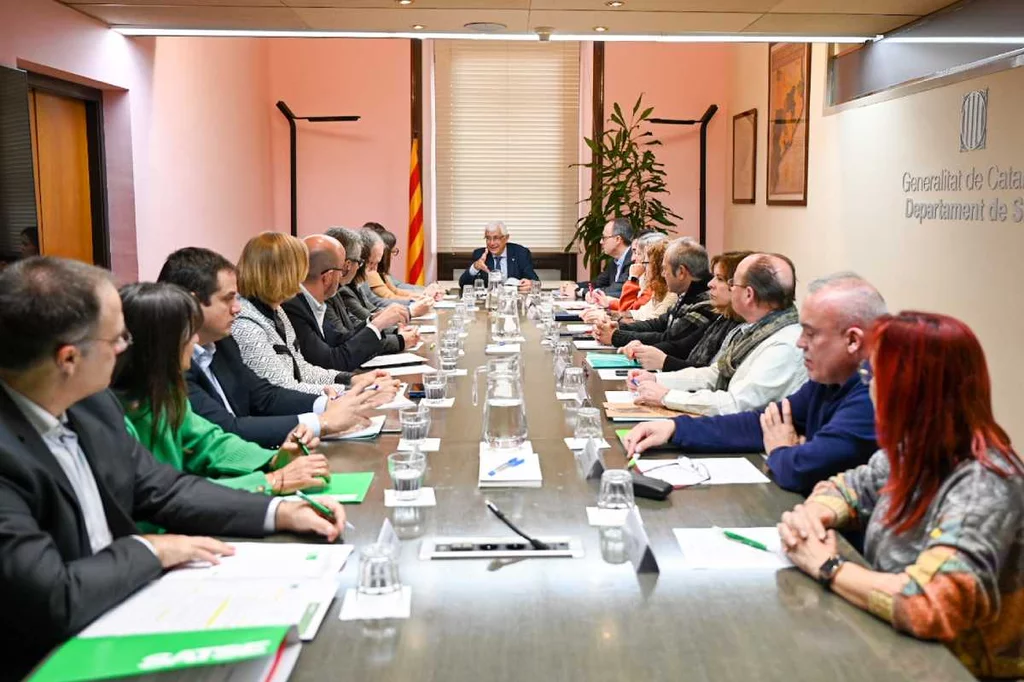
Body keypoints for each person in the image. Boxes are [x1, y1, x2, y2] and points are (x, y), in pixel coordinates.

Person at [0, 257, 348, 678]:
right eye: (116, 338)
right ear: (68, 359)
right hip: (51, 658)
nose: (126, 347)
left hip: (123, 609)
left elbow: (162, 488)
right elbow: (53, 599)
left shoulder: (92, 406)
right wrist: (152, 551)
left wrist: (277, 510)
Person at [776, 312, 1023, 679]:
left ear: (909, 388)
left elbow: (928, 603)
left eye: (872, 376)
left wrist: (827, 565)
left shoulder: (984, 482)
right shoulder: (911, 451)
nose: (868, 388)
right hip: (892, 642)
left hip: (955, 667)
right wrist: (814, 518)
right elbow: (848, 487)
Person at [624, 272, 885, 493]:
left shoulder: (871, 397)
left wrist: (781, 448)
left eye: (811, 333)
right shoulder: (831, 380)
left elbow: (803, 468)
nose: (800, 342)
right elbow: (758, 422)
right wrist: (674, 429)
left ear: (853, 341)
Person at [114, 282, 341, 494]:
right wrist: (271, 481)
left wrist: (272, 460)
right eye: (187, 333)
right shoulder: (119, 416)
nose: (195, 340)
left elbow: (213, 441)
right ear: (159, 345)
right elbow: (166, 492)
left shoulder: (166, 393)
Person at [159, 247, 382, 448]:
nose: (236, 309)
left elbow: (263, 394)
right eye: (228, 299)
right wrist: (322, 421)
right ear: (192, 304)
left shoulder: (220, 341)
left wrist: (327, 404)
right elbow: (226, 429)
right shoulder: (172, 364)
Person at [630, 253, 807, 416]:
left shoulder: (783, 345)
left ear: (748, 294)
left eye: (732, 284)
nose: (711, 284)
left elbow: (737, 404)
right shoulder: (755, 330)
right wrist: (656, 378)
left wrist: (667, 396)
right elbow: (715, 374)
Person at [231, 232, 387, 396]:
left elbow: (301, 369)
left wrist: (351, 380)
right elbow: (283, 390)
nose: (304, 278)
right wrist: (350, 390)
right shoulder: (246, 324)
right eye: (301, 270)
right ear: (284, 274)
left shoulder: (277, 311)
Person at [283, 234, 398, 372]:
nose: (342, 276)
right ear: (328, 277)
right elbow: (330, 362)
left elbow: (338, 340)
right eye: (341, 270)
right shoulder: (294, 308)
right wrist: (376, 326)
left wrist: (372, 322)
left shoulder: (312, 301)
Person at [622, 250, 751, 372]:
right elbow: (681, 345)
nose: (710, 284)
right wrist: (642, 349)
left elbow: (715, 377)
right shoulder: (722, 318)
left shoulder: (709, 308)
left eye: (720, 279)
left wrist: (662, 361)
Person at [592, 238, 716, 352]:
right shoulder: (686, 295)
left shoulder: (703, 304)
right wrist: (619, 327)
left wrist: (616, 336)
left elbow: (669, 339)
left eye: (665, 269)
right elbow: (659, 323)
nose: (662, 274)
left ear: (681, 272)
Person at [325, 227, 411, 355]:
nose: (373, 269)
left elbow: (353, 325)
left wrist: (384, 325)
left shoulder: (338, 289)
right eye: (368, 263)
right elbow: (345, 342)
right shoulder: (335, 291)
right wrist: (398, 340)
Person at [585, 232, 667, 318]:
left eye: (637, 253)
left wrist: (633, 279)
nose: (632, 258)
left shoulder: (656, 285)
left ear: (655, 261)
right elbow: (634, 310)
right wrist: (609, 303)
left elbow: (628, 311)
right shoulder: (648, 281)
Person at [561, 217, 633, 299]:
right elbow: (597, 283)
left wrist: (579, 291)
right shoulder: (616, 261)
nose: (601, 242)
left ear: (617, 239)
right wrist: (574, 286)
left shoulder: (633, 260)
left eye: (604, 238)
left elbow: (616, 290)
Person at [457, 221, 539, 293]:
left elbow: (536, 282)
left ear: (506, 238)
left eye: (496, 238)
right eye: (488, 238)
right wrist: (475, 267)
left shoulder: (521, 253)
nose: (491, 243)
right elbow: (463, 284)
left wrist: (530, 284)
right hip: (488, 302)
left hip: (513, 301)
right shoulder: (479, 254)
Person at [623, 239, 677, 322]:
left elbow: (652, 322)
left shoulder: (672, 294)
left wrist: (632, 279)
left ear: (658, 267)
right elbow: (640, 313)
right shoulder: (659, 289)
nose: (644, 267)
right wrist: (612, 315)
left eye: (646, 263)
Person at [365, 221, 423, 293]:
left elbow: (396, 288)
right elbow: (385, 297)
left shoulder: (381, 273)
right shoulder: (367, 274)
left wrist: (424, 291)